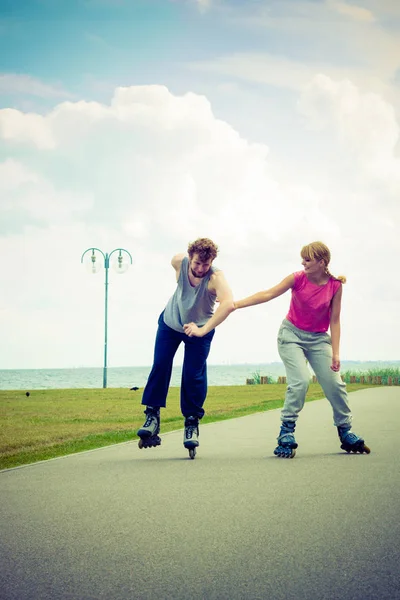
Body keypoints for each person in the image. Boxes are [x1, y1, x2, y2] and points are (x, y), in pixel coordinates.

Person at [234, 241, 370, 458]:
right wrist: (236, 304)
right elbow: (268, 294)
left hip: (318, 339)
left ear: (321, 262)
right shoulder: (297, 278)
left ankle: (345, 431)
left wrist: (335, 353)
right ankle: (286, 431)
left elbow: (335, 321)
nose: (302, 263)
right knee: (301, 381)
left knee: (335, 384)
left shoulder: (335, 285)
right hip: (291, 336)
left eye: (307, 259)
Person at [137, 237, 235, 454]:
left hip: (200, 329)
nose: (200, 269)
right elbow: (175, 262)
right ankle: (152, 415)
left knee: (193, 374)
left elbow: (229, 304)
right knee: (161, 364)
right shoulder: (179, 262)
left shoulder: (216, 277)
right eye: (197, 263)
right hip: (171, 323)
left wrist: (202, 329)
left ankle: (191, 422)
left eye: (206, 265)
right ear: (190, 258)